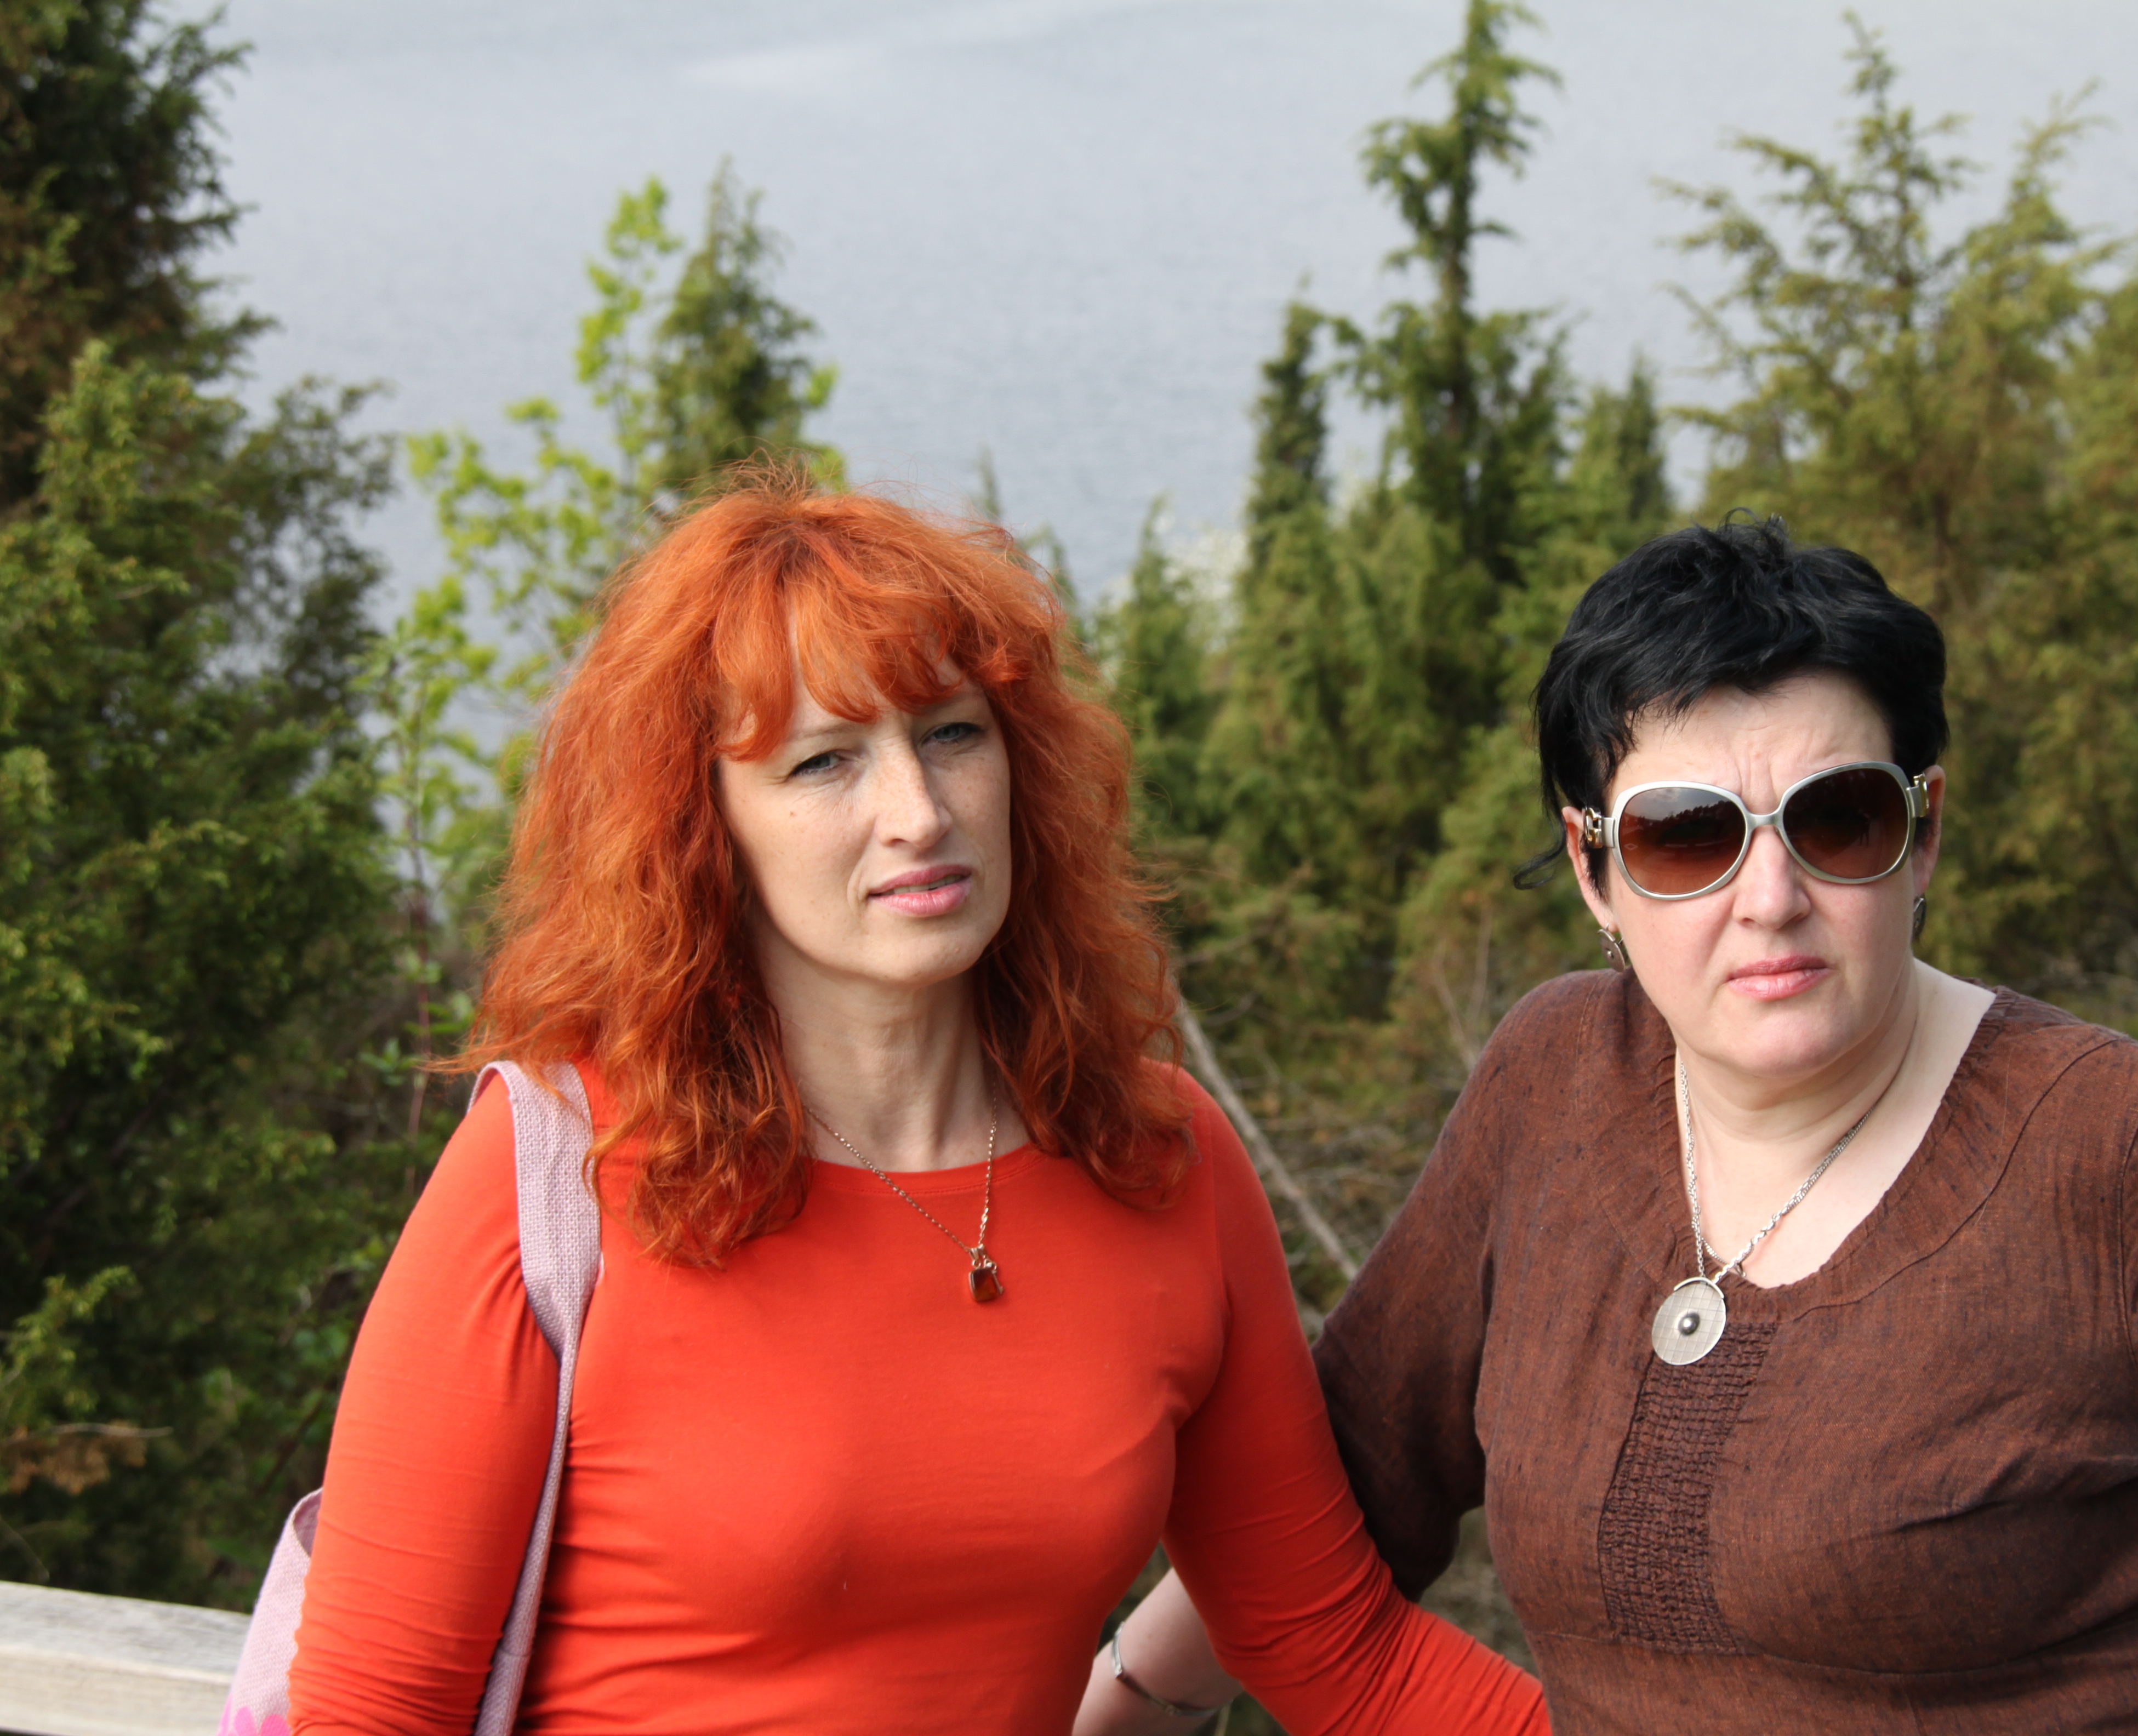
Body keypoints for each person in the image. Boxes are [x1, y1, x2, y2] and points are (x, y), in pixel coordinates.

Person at [1101, 516, 2138, 1733]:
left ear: (1924, 831)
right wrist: (1116, 1706)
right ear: (1591, 869)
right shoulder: (1554, 1083)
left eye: (1838, 820)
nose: (1771, 899)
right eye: (1685, 837)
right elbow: (1344, 1489)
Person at [287, 475, 1549, 1735]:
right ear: (702, 825)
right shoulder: (558, 1169)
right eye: (825, 761)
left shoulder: (1157, 1157)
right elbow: (370, 1715)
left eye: (951, 734)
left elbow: (1336, 1648)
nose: (920, 813)